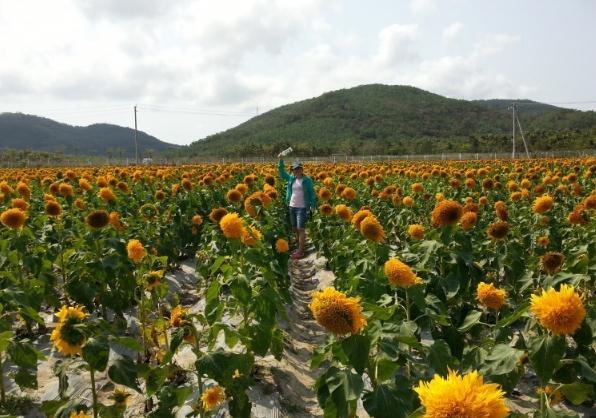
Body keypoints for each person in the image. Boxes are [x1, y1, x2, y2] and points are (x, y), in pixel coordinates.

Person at [278, 157, 316, 259]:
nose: (296, 170)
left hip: (302, 207)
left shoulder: (307, 180)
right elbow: (281, 174)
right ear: (293, 170)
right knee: (295, 228)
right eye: (294, 169)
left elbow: (312, 193)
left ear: (301, 169)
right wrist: (281, 161)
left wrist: (313, 206)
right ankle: (299, 246)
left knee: (301, 229)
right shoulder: (291, 178)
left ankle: (300, 251)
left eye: (298, 168)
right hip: (292, 206)